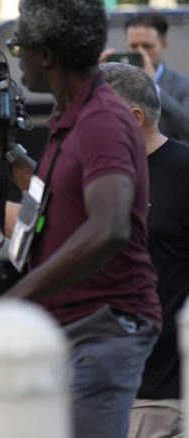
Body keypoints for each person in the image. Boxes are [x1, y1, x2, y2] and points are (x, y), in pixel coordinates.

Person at [0, 1, 160, 437]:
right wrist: (8, 157)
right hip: (75, 326)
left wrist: (18, 296)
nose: (17, 58)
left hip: (104, 329)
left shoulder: (102, 121)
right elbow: (55, 205)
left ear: (48, 55)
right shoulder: (70, 115)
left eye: (20, 47)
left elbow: (109, 226)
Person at [99, 62, 189, 438]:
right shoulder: (101, 175)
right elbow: (40, 230)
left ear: (133, 119)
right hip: (104, 388)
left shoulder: (185, 171)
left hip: (159, 398)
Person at [101, 11, 189, 143]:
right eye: (134, 46)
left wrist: (154, 86)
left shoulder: (183, 85)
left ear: (164, 45)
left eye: (147, 46)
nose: (140, 51)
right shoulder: (114, 83)